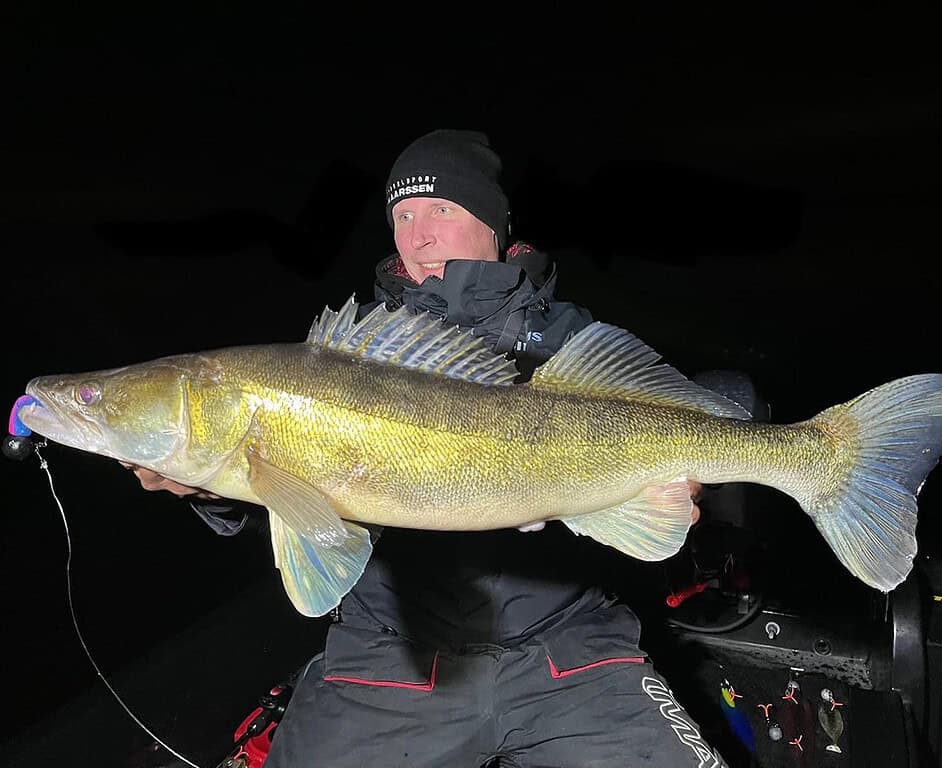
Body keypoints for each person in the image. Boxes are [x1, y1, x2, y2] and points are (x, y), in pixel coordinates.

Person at [124, 129, 728, 767]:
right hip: (392, 651)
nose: (419, 235)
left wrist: (677, 491)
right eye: (403, 216)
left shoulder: (567, 339)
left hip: (571, 645)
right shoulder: (347, 354)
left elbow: (673, 449)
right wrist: (209, 489)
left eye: (442, 208)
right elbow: (292, 511)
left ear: (495, 223)